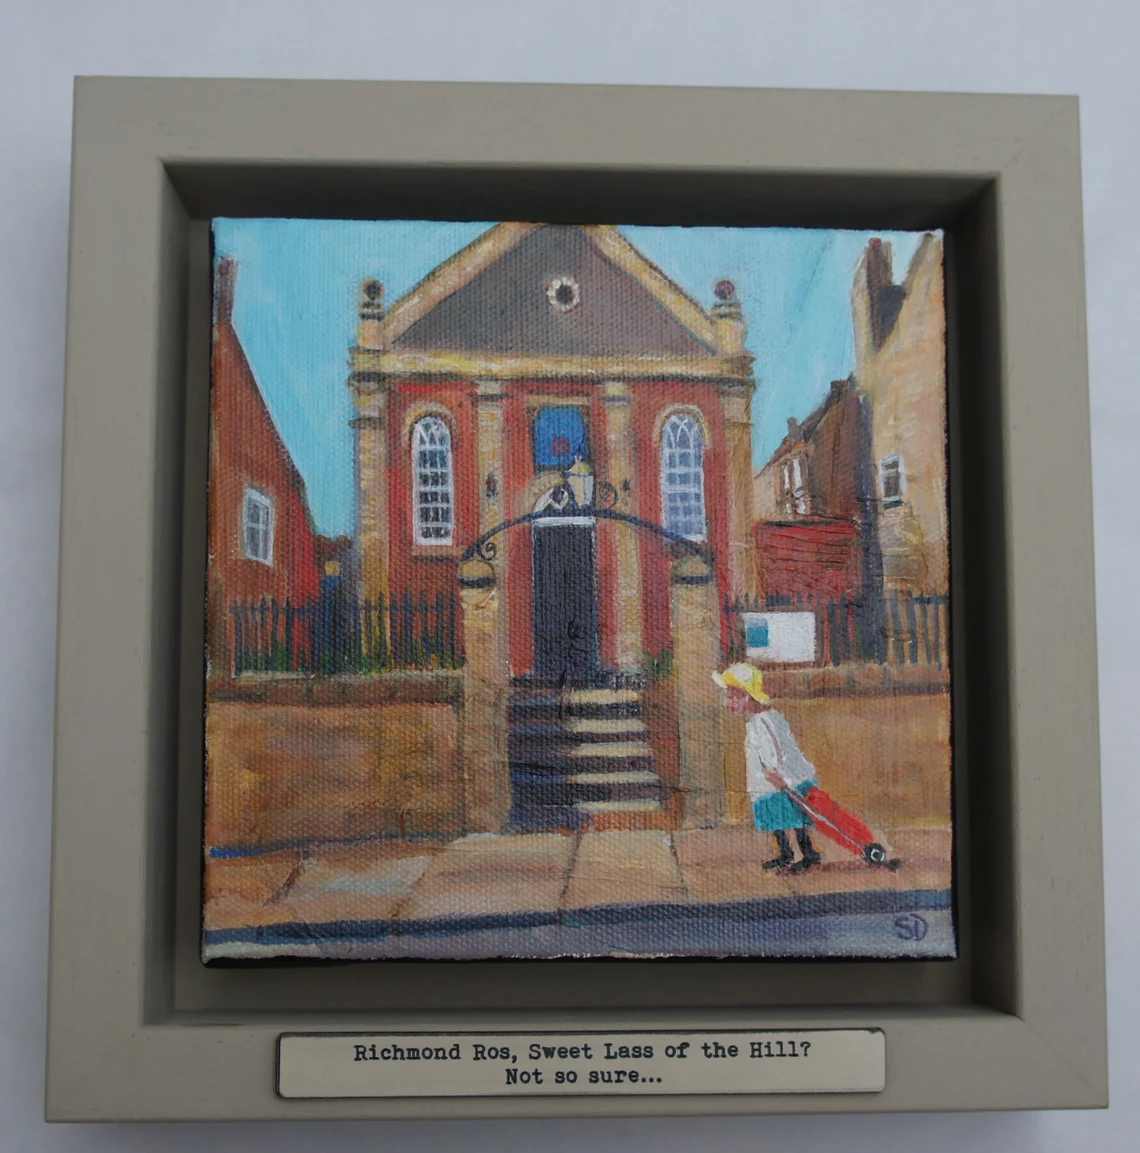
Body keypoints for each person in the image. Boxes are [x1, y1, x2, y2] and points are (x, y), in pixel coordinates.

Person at [712, 663, 823, 873]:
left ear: (747, 696)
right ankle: (786, 854)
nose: (728, 703)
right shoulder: (757, 721)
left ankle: (808, 854)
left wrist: (774, 773)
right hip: (768, 783)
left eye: (732, 697)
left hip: (782, 780)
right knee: (776, 819)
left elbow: (775, 749)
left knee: (793, 817)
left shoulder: (764, 721)